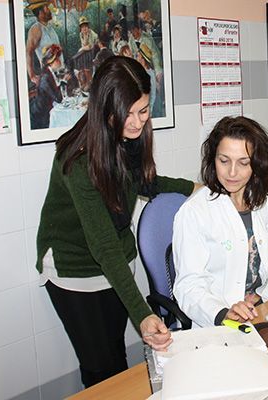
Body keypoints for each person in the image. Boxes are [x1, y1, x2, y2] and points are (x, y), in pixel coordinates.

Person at [36, 56, 197, 387]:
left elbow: (142, 182)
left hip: (114, 262)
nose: (137, 123)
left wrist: (194, 188)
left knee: (117, 360)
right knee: (99, 367)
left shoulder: (125, 137)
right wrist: (143, 315)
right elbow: (103, 245)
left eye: (143, 110)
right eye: (128, 113)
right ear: (105, 108)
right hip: (74, 268)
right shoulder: (76, 159)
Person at [172, 116, 268, 328]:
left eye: (243, 163)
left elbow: (261, 258)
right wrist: (223, 313)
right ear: (212, 160)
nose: (232, 172)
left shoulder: (260, 202)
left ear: (257, 164)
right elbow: (188, 286)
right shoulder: (194, 213)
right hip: (222, 320)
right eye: (223, 161)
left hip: (263, 307)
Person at [25, 0, 63, 86]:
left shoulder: (50, 27)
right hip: (49, 77)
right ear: (40, 12)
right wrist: (32, 76)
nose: (49, 10)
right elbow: (28, 52)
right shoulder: (36, 29)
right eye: (46, 8)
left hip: (60, 73)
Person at [29, 44, 63, 130]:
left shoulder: (49, 73)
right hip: (40, 115)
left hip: (45, 110)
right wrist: (63, 82)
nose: (60, 61)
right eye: (57, 59)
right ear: (51, 61)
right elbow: (58, 98)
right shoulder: (46, 77)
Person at [73, 16, 96, 90]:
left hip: (93, 51)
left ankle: (89, 80)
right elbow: (84, 44)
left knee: (82, 57)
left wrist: (82, 48)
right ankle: (82, 81)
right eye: (82, 27)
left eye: (86, 26)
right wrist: (83, 47)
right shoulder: (81, 34)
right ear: (80, 28)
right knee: (77, 58)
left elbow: (90, 46)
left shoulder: (91, 33)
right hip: (85, 52)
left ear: (88, 27)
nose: (84, 29)